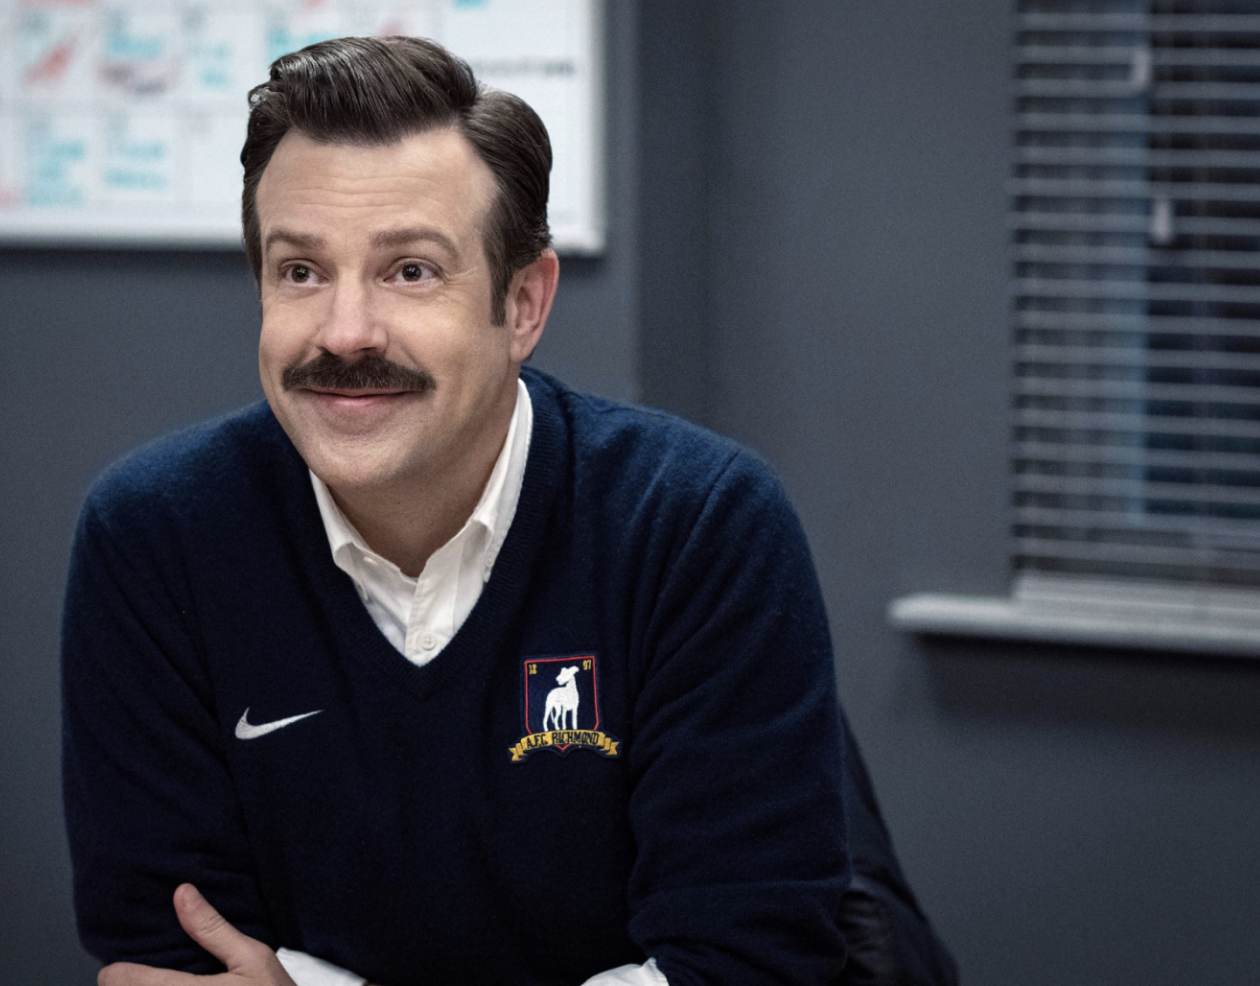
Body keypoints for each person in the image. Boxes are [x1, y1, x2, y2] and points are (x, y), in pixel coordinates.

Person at [62, 36, 852, 986]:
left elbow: (748, 965)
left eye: (411, 272)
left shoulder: (695, 524)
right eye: (301, 272)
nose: (345, 332)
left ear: (523, 303)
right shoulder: (157, 536)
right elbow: (170, 960)